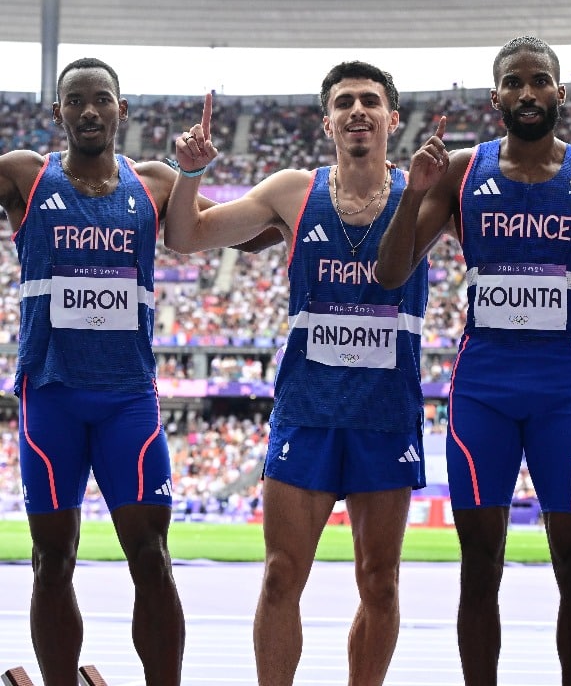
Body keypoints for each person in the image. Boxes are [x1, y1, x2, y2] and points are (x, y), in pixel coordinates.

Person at [374, 35, 571, 686]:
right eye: (514, 83)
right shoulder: (462, 170)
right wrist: (413, 193)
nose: (528, 93)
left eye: (539, 80)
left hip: (562, 389)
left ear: (560, 91)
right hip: (483, 389)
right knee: (479, 566)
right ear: (495, 97)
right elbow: (389, 274)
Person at [0, 57, 278, 686]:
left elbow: (245, 233)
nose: (89, 110)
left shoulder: (153, 182)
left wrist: (301, 213)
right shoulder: (26, 175)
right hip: (52, 395)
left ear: (121, 111)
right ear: (58, 113)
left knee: (151, 557)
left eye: (102, 99)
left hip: (128, 400)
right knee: (51, 560)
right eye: (76, 100)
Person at [164, 61, 429, 686]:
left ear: (392, 118)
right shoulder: (292, 191)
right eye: (344, 102)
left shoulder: (425, 193)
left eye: (370, 100)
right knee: (281, 575)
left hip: (385, 415)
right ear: (328, 121)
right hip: (307, 412)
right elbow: (185, 234)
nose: (357, 110)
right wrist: (190, 173)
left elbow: (514, 218)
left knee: (381, 584)